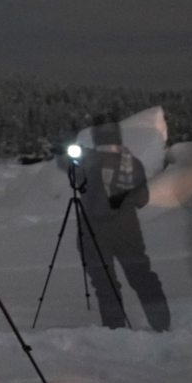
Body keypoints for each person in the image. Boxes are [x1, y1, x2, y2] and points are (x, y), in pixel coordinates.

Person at [75, 117, 170, 331]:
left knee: (104, 283)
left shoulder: (88, 162)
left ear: (95, 137)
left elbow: (76, 183)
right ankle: (162, 324)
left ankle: (115, 329)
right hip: (127, 230)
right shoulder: (132, 162)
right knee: (142, 276)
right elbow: (142, 200)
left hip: (94, 232)